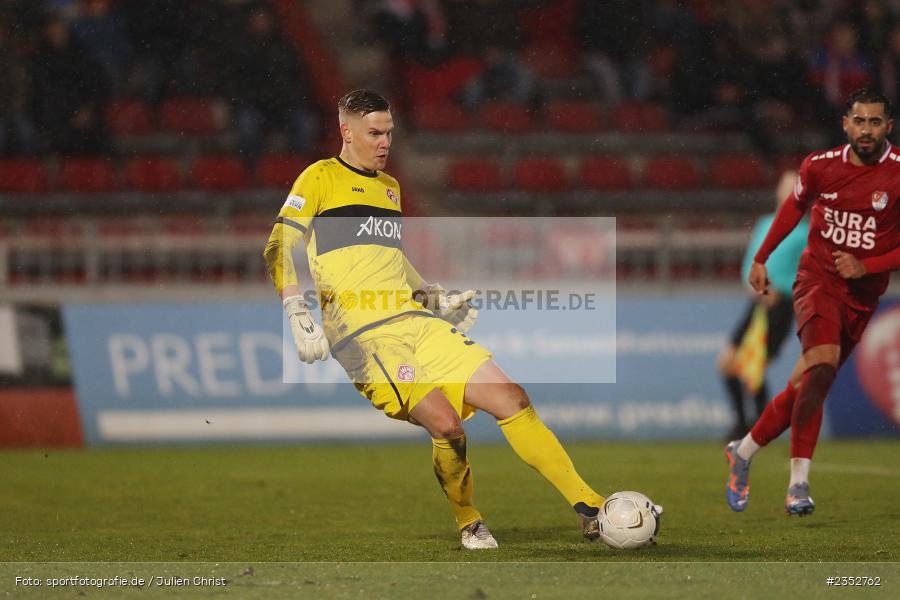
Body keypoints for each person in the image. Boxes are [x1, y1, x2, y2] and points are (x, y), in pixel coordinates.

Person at [263, 90, 606, 549]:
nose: (385, 142)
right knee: (448, 426)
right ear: (346, 132)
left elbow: (390, 257)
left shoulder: (389, 188)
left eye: (389, 133)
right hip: (364, 337)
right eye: (374, 133)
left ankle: (590, 507)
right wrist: (295, 310)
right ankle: (470, 521)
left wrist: (431, 297)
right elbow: (277, 246)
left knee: (512, 397)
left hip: (414, 321)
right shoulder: (318, 178)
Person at [725, 87, 900, 517]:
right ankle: (798, 484)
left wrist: (869, 265)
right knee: (820, 364)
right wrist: (762, 257)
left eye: (875, 122)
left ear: (888, 127)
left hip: (862, 294)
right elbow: (792, 208)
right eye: (858, 121)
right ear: (845, 124)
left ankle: (743, 450)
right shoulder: (820, 166)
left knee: (809, 382)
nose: (866, 129)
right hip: (817, 279)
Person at [718, 170, 808, 441]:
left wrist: (780, 290)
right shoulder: (765, 223)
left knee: (752, 368)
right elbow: (751, 262)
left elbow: (808, 273)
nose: (790, 192)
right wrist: (753, 283)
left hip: (779, 306)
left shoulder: (807, 232)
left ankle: (758, 428)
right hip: (756, 303)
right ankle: (745, 422)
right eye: (786, 186)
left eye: (796, 187)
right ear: (777, 191)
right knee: (727, 364)